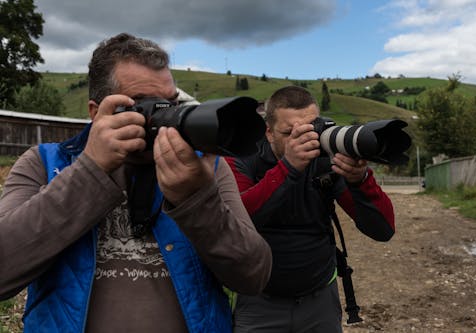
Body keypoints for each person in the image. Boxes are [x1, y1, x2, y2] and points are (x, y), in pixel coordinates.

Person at [0, 33, 272, 333]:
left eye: (170, 104)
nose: (163, 118)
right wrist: (90, 172)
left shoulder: (204, 168)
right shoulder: (44, 164)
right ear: (97, 112)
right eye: (144, 105)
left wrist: (197, 200)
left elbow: (253, 276)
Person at [226, 86, 395, 333]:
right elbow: (238, 222)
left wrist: (360, 180)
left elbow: (383, 229)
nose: (304, 139)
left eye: (311, 128)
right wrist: (289, 167)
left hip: (319, 299)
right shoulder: (242, 156)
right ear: (269, 132)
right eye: (289, 133)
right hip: (258, 300)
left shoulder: (326, 160)